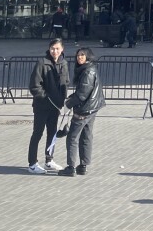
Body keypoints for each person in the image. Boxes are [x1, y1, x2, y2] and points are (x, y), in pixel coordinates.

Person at [59, 48, 105, 177]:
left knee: (73, 137)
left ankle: (71, 166)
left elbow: (82, 94)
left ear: (88, 57)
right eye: (78, 55)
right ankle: (83, 165)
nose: (79, 57)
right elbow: (84, 90)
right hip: (92, 107)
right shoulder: (88, 69)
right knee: (86, 135)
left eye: (82, 55)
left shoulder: (88, 71)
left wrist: (69, 104)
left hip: (85, 109)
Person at [27, 38, 71, 174]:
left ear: (62, 49)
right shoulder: (42, 63)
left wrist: (63, 100)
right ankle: (32, 163)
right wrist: (46, 97)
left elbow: (66, 83)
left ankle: (49, 160)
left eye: (57, 48)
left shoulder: (64, 63)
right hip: (42, 105)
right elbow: (34, 86)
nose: (55, 51)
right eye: (52, 48)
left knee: (52, 133)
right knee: (37, 133)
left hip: (56, 106)